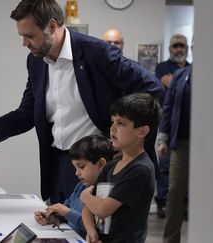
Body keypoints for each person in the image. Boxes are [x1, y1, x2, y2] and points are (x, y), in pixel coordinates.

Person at [0, 0, 164, 203]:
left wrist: (132, 143)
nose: (24, 43)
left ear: (52, 26)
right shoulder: (35, 62)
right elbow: (27, 114)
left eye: (30, 36)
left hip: (99, 164)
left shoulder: (98, 53)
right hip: (58, 165)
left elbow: (154, 91)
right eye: (22, 36)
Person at [80, 93, 161, 243]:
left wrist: (84, 195)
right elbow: (88, 208)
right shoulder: (111, 165)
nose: (112, 129)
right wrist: (91, 232)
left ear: (142, 131)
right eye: (113, 122)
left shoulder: (140, 169)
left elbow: (102, 209)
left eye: (121, 123)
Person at [34, 135, 114, 238]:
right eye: (75, 168)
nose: (77, 173)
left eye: (81, 167)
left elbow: (95, 229)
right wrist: (50, 216)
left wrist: (68, 213)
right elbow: (67, 209)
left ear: (101, 164)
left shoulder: (106, 193)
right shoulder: (81, 185)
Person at [154, 34, 190, 218]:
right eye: (175, 46)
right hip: (170, 126)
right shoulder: (162, 67)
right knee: (165, 167)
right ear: (170, 49)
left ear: (186, 48)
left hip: (189, 129)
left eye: (181, 46)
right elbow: (164, 93)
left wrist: (171, 82)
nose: (178, 49)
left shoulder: (191, 70)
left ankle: (184, 204)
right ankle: (162, 202)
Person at [158, 64, 192, 243]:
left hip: (209, 144)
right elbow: (168, 107)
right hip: (181, 142)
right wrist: (162, 139)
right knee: (175, 191)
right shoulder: (181, 75)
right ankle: (170, 240)